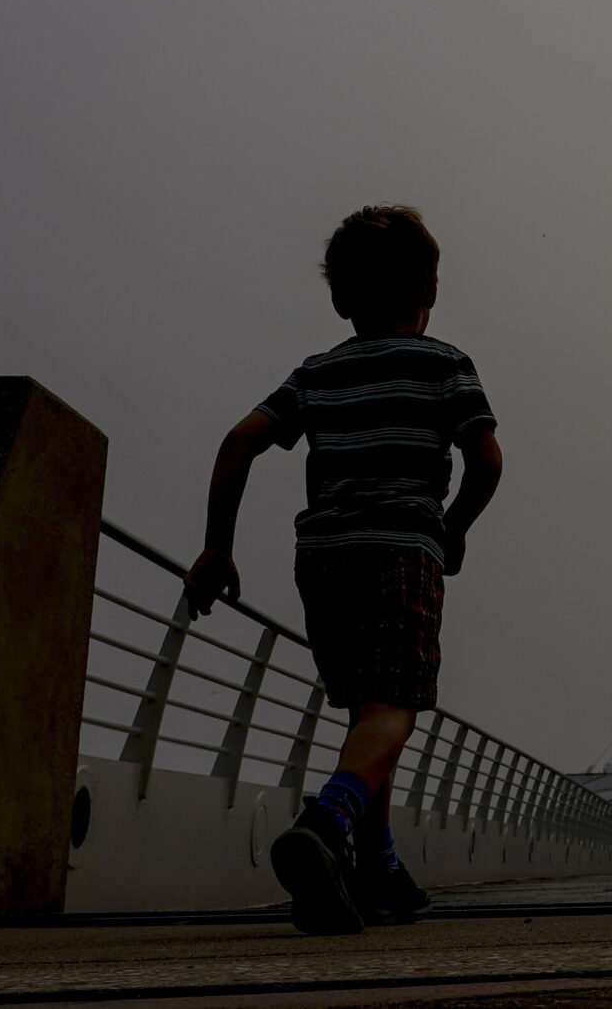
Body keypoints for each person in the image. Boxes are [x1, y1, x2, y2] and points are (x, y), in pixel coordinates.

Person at [183, 204, 504, 935]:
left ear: (339, 299)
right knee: (395, 709)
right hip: (400, 552)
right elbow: (486, 461)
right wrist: (451, 530)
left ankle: (378, 866)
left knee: (367, 711)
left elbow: (239, 444)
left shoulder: (316, 373)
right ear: (429, 297)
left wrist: (216, 548)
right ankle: (325, 827)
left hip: (321, 561)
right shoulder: (445, 363)